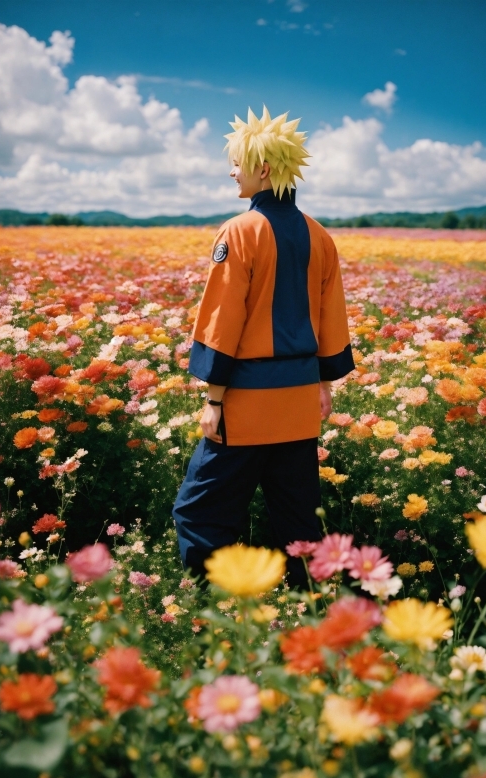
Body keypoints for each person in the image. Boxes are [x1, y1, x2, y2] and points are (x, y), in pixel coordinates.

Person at [172, 106, 354, 589]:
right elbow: (332, 316)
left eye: (237, 162)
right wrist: (324, 383)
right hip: (298, 401)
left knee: (200, 512)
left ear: (265, 169)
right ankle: (310, 603)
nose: (231, 171)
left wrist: (214, 399)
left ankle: (212, 604)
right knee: (298, 520)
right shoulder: (321, 236)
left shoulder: (238, 232)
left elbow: (221, 319)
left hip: (246, 403)